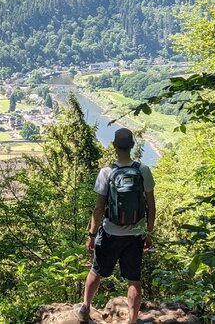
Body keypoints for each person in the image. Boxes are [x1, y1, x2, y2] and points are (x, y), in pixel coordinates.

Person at [74, 128, 156, 323]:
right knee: (134, 279)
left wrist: (92, 235)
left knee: (96, 270)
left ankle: (85, 308)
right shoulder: (143, 170)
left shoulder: (107, 172)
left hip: (110, 233)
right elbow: (151, 207)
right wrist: (149, 234)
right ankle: (133, 320)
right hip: (136, 235)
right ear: (132, 146)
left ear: (114, 146)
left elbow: (98, 209)